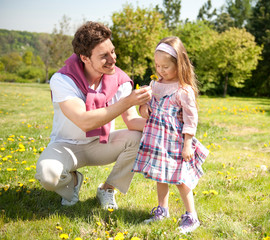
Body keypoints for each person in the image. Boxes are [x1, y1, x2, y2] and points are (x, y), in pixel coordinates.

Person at [35, 21, 152, 209]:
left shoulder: (120, 80)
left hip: (100, 144)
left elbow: (131, 120)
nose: (113, 59)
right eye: (104, 56)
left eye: (112, 51)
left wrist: (163, 125)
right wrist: (128, 101)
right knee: (48, 176)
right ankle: (72, 182)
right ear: (85, 58)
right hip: (66, 145)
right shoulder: (63, 79)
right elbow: (84, 121)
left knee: (139, 137)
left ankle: (107, 188)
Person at [132, 36, 209, 234]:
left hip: (176, 142)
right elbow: (146, 110)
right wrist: (143, 108)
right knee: (161, 177)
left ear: (179, 64)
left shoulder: (184, 91)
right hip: (158, 141)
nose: (160, 70)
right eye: (157, 65)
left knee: (182, 180)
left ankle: (191, 216)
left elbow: (191, 120)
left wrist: (187, 144)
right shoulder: (155, 86)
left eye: (165, 66)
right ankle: (162, 210)